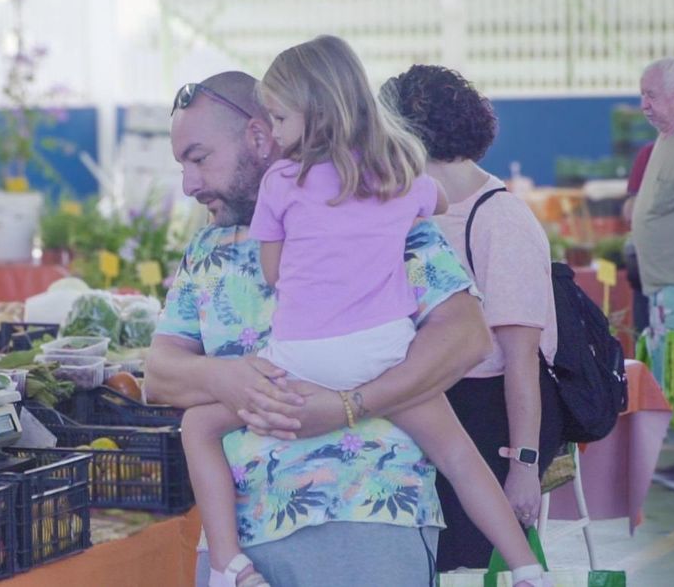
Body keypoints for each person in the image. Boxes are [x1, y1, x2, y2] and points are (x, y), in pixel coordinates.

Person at [179, 39, 545, 587]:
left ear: (313, 113)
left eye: (279, 118)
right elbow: (439, 202)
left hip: (304, 358)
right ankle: (527, 568)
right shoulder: (395, 176)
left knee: (198, 426)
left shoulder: (282, 182)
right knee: (459, 455)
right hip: (383, 351)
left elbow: (274, 274)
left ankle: (230, 563)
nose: (274, 132)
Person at [382, 64, 562, 570]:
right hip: (441, 398)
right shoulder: (419, 210)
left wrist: (524, 467)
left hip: (492, 415)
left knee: (464, 560)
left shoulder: (500, 219)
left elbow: (521, 358)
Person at [631, 57, 674, 490]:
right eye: (642, 94)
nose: (643, 105)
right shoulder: (666, 140)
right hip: (665, 287)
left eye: (651, 95)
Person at [622, 140, 655, 334]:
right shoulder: (650, 152)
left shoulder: (651, 151)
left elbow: (631, 210)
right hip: (652, 269)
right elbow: (631, 209)